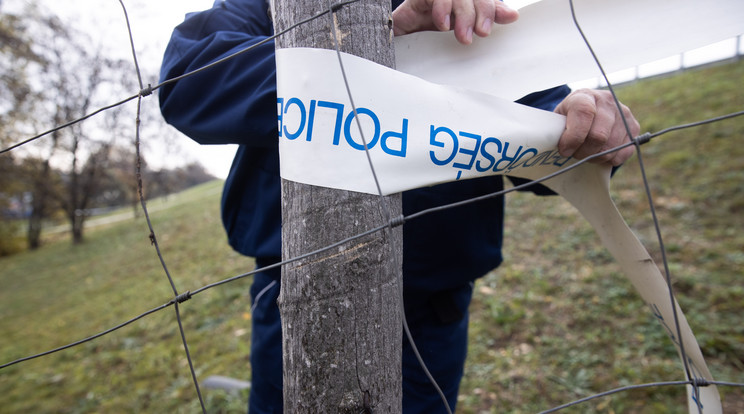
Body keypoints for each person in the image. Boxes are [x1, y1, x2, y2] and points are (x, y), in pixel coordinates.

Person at [158, 0, 640, 412]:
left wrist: (582, 121)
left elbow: (546, 126)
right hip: (291, 289)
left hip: (431, 308)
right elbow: (190, 79)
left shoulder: (460, 14)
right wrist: (374, 44)